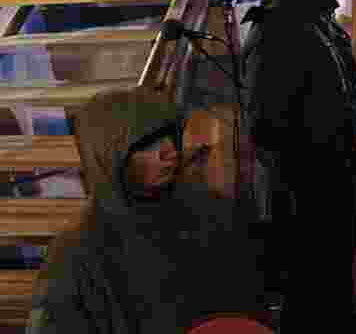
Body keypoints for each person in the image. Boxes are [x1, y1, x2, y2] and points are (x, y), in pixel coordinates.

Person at [28, 86, 267, 333]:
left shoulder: (213, 214)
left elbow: (250, 311)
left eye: (169, 135)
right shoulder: (77, 250)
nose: (170, 152)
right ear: (111, 154)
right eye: (147, 143)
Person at [244, 0, 356, 332]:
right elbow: (265, 119)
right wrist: (302, 168)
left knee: (332, 265)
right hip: (305, 181)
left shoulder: (316, 19)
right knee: (308, 275)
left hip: (330, 170)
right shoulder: (279, 28)